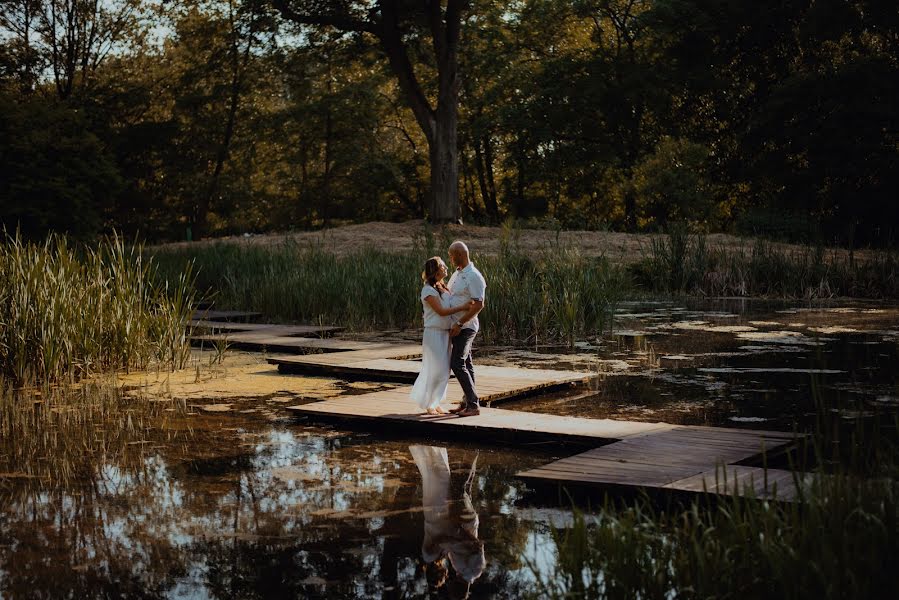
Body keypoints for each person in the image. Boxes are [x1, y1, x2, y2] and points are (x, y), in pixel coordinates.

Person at [410, 445, 486, 595]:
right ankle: (472, 450)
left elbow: (444, 542)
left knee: (459, 487)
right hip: (461, 521)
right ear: (456, 590)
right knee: (459, 489)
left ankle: (470, 452)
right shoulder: (470, 570)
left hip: (445, 518)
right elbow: (477, 546)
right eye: (450, 590)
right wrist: (459, 535)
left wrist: (452, 540)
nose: (448, 582)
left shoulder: (460, 569)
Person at [410, 257, 473, 415]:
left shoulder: (443, 287)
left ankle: (436, 401)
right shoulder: (428, 290)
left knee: (445, 370)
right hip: (433, 334)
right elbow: (441, 311)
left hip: (445, 334)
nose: (446, 267)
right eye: (443, 266)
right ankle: (429, 404)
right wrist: (464, 306)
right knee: (434, 369)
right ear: (435, 270)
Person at [446, 241, 486, 418]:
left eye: (451, 255)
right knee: (466, 363)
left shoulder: (474, 276)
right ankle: (466, 403)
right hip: (455, 327)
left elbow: (478, 305)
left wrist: (460, 323)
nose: (450, 258)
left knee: (457, 363)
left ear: (460, 255)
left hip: (466, 327)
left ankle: (473, 404)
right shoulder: (457, 274)